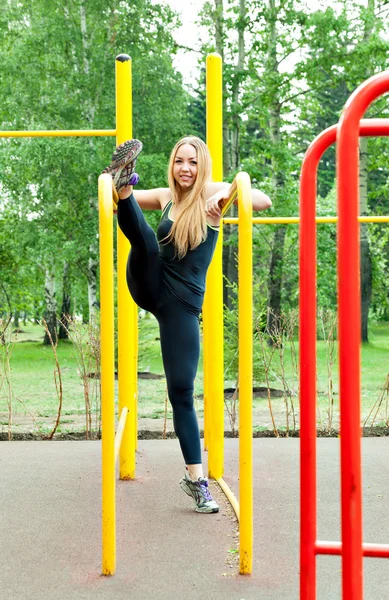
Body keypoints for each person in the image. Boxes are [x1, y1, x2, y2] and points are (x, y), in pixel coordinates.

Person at [102, 136, 272, 513]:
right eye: (179, 161)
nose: (185, 169)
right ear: (172, 164)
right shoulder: (167, 197)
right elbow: (116, 211)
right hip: (149, 281)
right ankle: (122, 180)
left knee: (181, 390)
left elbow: (263, 201)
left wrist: (227, 197)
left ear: (202, 165)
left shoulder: (213, 192)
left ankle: (196, 480)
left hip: (181, 307)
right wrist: (117, 196)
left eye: (192, 162)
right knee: (145, 240)